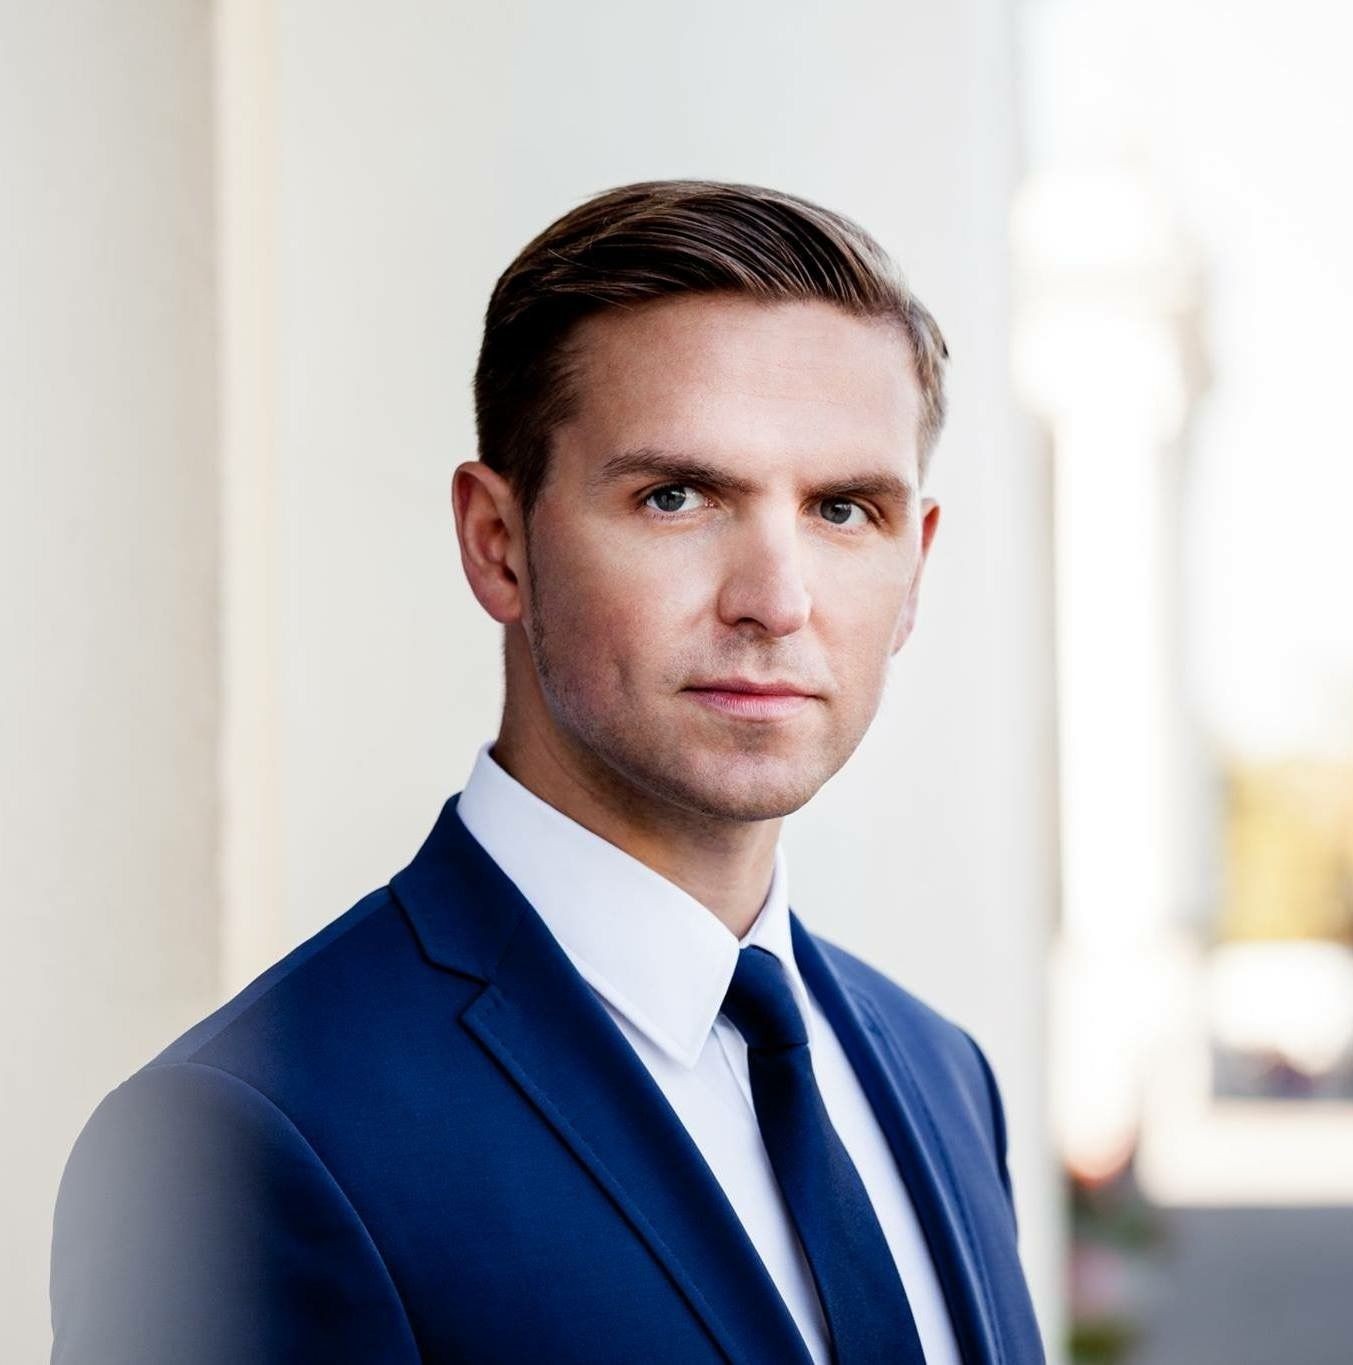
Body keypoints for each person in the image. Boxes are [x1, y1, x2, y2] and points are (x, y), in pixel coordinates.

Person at [50, 180, 1044, 1364]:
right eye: (676, 496)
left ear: (915, 567)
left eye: (843, 509)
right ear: (498, 544)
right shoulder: (238, 1144)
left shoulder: (942, 1074)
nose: (776, 601)